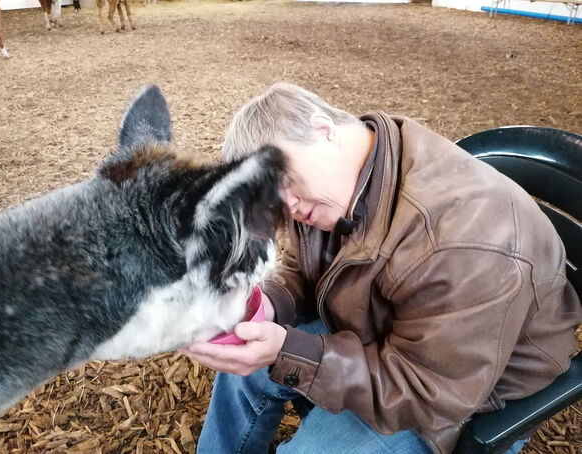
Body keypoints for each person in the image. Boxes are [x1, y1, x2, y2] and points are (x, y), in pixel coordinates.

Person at [180, 82, 582, 454]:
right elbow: (304, 265)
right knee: (243, 364)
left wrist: (292, 352)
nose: (289, 210)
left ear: (323, 130)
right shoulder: (359, 161)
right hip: (394, 328)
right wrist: (269, 304)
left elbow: (430, 395)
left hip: (466, 394)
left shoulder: (461, 236)